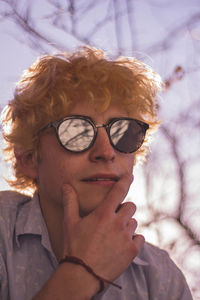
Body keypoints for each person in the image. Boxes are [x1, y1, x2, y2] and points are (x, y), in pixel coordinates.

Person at [0, 47, 193, 300]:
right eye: (76, 132)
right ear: (29, 159)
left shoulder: (160, 277)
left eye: (123, 132)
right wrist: (81, 273)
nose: (106, 151)